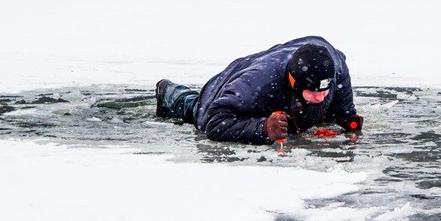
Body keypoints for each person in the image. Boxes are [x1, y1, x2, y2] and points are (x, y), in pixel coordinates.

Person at [155, 36, 363, 144]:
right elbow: (215, 123)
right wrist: (264, 128)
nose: (319, 97)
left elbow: (340, 89)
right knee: (195, 110)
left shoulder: (334, 64)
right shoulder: (256, 84)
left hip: (282, 75)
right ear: (294, 82)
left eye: (324, 91)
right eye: (312, 92)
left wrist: (345, 115)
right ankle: (171, 93)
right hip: (222, 91)